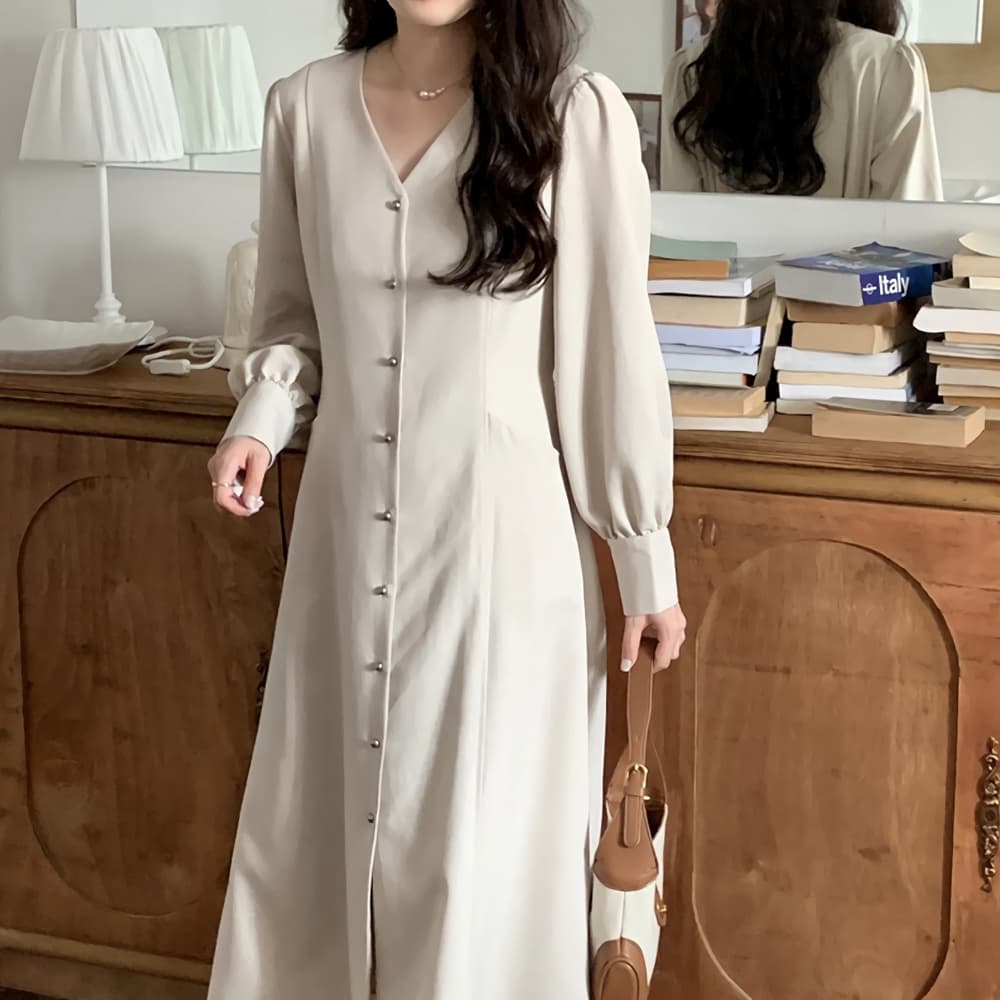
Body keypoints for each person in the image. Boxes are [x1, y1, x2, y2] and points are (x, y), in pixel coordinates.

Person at [205, 1, 686, 998]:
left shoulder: (573, 114)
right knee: (320, 836)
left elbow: (607, 354)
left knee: (480, 857)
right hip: (341, 552)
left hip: (501, 565)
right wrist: (262, 415)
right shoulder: (303, 109)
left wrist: (642, 557)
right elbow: (291, 324)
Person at [660, 0, 944, 200]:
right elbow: (908, 237)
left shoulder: (690, 71)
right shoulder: (885, 66)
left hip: (714, 270)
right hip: (854, 270)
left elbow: (682, 234)